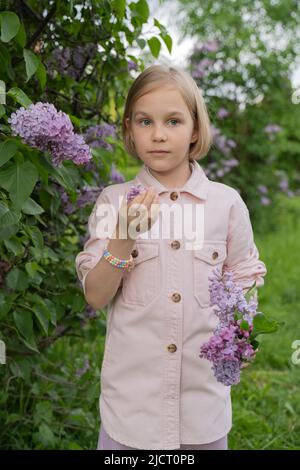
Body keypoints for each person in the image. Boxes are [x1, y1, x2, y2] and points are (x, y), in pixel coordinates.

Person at [75, 64, 267, 450]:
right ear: (128, 128)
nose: (158, 135)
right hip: (131, 414)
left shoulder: (225, 203)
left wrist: (242, 339)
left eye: (174, 121)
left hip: (203, 413)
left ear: (195, 129)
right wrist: (123, 238)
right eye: (145, 121)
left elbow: (244, 277)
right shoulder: (114, 202)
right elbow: (95, 296)